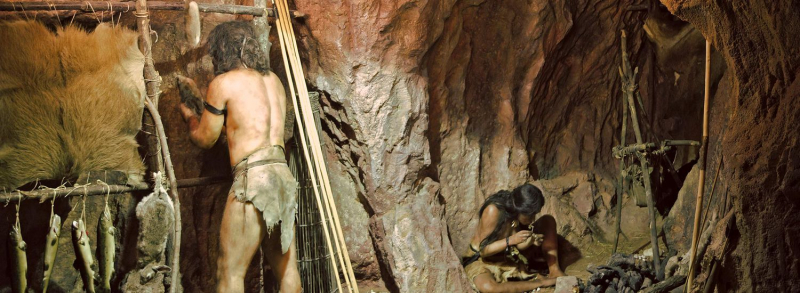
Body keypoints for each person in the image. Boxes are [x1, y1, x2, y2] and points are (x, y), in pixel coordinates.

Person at [176, 21, 301, 293]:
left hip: (252, 181)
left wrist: (189, 119)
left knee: (229, 272)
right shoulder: (273, 81)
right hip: (281, 177)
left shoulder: (223, 83)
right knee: (287, 270)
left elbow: (206, 138)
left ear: (222, 50)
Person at [463, 183, 566, 292]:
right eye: (530, 215)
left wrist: (530, 242)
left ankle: (554, 270)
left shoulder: (515, 213)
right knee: (489, 288)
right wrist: (511, 240)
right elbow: (483, 251)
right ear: (521, 209)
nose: (532, 219)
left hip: (507, 257)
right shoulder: (493, 210)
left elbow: (518, 246)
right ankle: (540, 283)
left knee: (548, 220)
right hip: (482, 260)